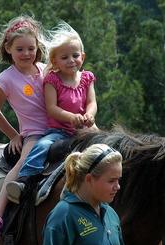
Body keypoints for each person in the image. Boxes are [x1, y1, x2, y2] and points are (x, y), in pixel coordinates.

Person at [6, 21, 97, 204]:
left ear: (83, 56)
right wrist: (72, 117)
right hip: (59, 130)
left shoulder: (87, 78)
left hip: (85, 127)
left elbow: (92, 102)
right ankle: (26, 179)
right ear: (54, 61)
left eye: (75, 55)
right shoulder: (52, 80)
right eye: (64, 57)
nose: (71, 60)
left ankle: (109, 177)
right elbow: (52, 108)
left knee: (104, 145)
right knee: (42, 146)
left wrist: (89, 114)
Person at [0, 15, 48, 245]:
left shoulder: (45, 69)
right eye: (20, 49)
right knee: (23, 164)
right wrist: (13, 135)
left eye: (31, 48)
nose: (27, 53)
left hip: (60, 127)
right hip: (35, 133)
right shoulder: (5, 79)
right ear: (8, 48)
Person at [42, 144, 130, 245]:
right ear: (89, 179)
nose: (118, 187)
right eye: (112, 181)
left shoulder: (111, 214)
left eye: (118, 180)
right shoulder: (62, 216)